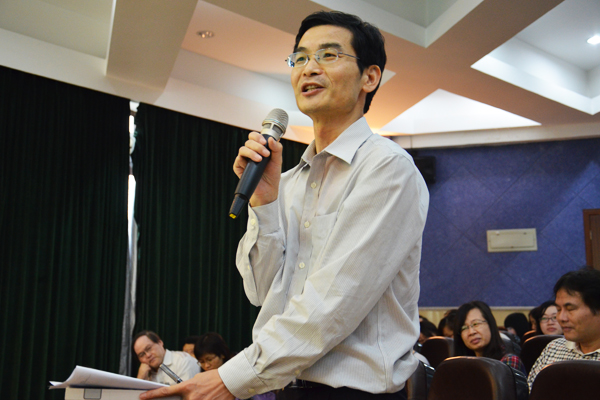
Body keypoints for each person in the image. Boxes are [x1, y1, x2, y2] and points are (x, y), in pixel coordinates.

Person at [140, 9, 429, 400]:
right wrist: (264, 202)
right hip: (286, 387)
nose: (309, 68)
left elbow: (336, 300)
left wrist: (231, 378)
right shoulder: (288, 182)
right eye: (301, 57)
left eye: (329, 55)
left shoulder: (387, 168)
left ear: (370, 77)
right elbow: (261, 292)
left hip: (355, 393)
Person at [527, 268, 600, 390]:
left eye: (570, 309)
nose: (561, 318)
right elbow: (531, 393)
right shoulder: (553, 349)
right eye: (559, 310)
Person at [454, 301, 526, 374]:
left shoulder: (508, 361)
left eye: (476, 324)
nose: (471, 332)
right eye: (464, 328)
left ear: (490, 324)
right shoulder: (460, 365)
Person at [132, 330, 200, 385]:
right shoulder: (145, 372)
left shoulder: (184, 361)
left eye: (149, 348)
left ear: (160, 343)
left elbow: (186, 393)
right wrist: (140, 379)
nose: (148, 355)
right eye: (142, 355)